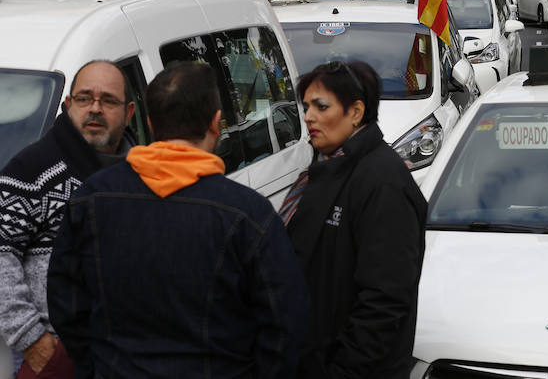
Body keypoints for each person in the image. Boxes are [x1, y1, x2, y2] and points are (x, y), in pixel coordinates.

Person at [47, 62, 309, 379]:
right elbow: (286, 324)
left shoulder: (91, 199)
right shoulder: (248, 214)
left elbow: (67, 307)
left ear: (148, 122)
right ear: (216, 123)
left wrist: (99, 366)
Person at [284, 61, 426, 379]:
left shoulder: (383, 182)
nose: (308, 116)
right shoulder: (325, 168)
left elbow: (384, 300)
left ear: (356, 112)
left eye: (321, 106)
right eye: (306, 106)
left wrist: (340, 371)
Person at [0, 61, 136, 378]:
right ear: (68, 105)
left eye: (109, 101)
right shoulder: (31, 172)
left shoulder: (140, 172)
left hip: (128, 355)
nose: (95, 109)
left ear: (129, 113)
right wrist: (36, 343)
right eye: (85, 98)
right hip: (58, 359)